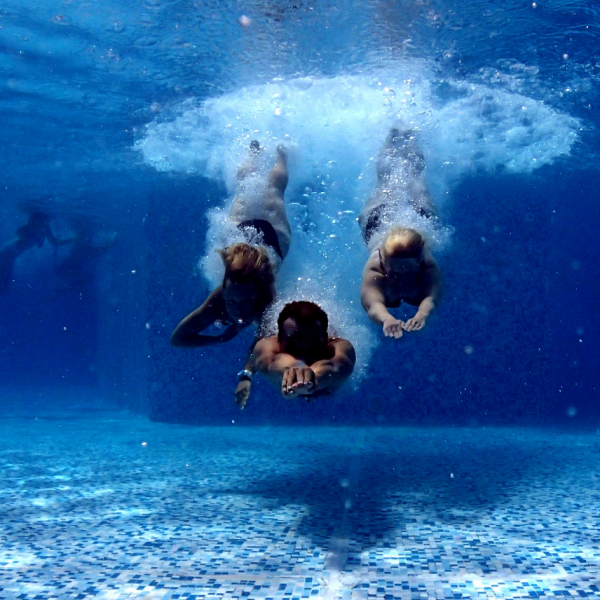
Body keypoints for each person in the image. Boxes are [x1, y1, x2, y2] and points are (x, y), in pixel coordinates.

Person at [171, 142, 291, 405]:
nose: (238, 308)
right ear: (223, 292)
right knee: (247, 186)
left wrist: (246, 374)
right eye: (232, 300)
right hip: (258, 238)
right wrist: (218, 339)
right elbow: (178, 339)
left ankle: (282, 153)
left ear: (256, 294)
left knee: (273, 190)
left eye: (246, 301)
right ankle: (255, 153)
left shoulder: (267, 300)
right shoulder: (217, 301)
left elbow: (261, 341)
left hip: (271, 235)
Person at [359, 128, 443, 338]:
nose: (402, 279)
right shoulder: (375, 268)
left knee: (416, 176)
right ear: (383, 261)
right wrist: (386, 318)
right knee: (385, 179)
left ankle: (411, 137)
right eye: (395, 272)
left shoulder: (428, 266)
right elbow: (372, 304)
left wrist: (423, 314)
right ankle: (392, 136)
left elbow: (432, 297)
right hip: (378, 217)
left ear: (420, 262)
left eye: (408, 272)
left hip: (416, 214)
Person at [248, 301, 356, 407]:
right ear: (279, 338)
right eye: (294, 340)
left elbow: (335, 366)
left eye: (312, 341)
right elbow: (274, 360)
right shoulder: (267, 345)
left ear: (324, 339)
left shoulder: (338, 346)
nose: (303, 348)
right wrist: (295, 369)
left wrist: (312, 378)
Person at [0, 210, 73, 293]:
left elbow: (55, 242)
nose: (52, 219)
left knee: (4, 283)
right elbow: (19, 231)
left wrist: (73, 239)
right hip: (10, 251)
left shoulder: (43, 226)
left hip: (10, 250)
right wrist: (36, 237)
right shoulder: (38, 225)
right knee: (4, 283)